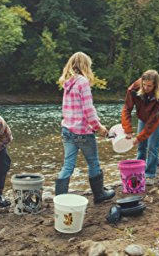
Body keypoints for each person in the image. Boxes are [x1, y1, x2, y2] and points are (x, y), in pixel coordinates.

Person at [55, 52, 115, 204]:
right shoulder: (83, 82)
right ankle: (99, 195)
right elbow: (88, 110)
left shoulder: (67, 83)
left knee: (68, 165)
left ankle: (59, 199)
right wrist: (99, 127)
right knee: (93, 162)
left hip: (67, 130)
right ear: (85, 65)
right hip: (82, 132)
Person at [121, 70, 159, 185]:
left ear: (155, 85)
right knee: (141, 146)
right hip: (143, 117)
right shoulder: (133, 89)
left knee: (152, 145)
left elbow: (152, 122)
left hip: (157, 118)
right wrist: (128, 130)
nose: (146, 87)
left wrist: (139, 137)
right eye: (144, 85)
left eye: (149, 86)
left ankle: (150, 174)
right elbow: (126, 109)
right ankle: (139, 170)